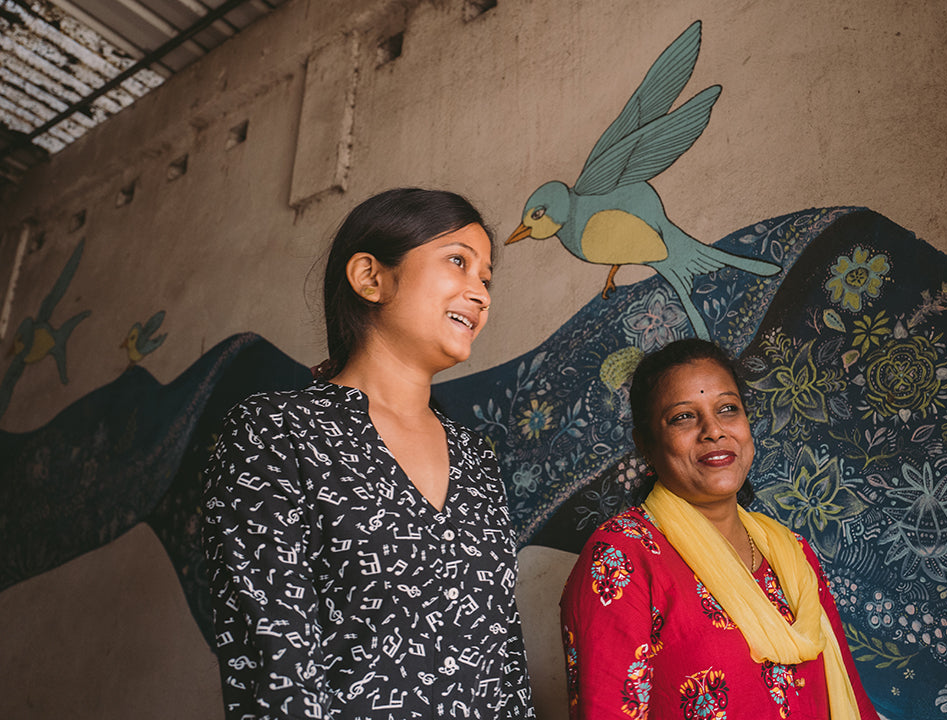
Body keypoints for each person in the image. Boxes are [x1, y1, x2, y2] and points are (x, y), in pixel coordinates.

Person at [202, 188, 535, 719]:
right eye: (458, 262)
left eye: (486, 279)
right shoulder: (278, 432)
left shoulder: (475, 459)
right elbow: (274, 662)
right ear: (370, 277)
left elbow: (504, 662)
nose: (481, 294)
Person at [560, 338, 877, 719]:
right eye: (683, 417)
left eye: (728, 409)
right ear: (645, 444)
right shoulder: (622, 557)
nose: (713, 430)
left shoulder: (792, 551)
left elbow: (853, 700)